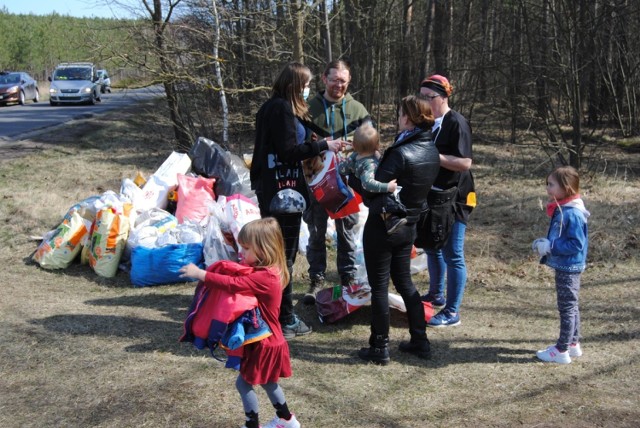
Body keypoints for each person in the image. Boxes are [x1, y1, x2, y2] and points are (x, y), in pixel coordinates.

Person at [179, 218, 301, 428]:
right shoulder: (271, 270)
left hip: (264, 343)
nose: (241, 252)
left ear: (264, 249)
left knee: (244, 384)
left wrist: (201, 274)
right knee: (269, 383)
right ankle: (287, 420)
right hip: (270, 340)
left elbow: (234, 284)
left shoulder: (266, 277)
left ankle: (252, 425)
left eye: (246, 248)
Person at [250, 62, 343, 340]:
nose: (307, 91)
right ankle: (284, 318)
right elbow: (289, 151)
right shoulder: (280, 109)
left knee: (279, 255)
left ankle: (275, 313)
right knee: (284, 256)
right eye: (304, 86)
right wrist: (323, 146)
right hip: (282, 193)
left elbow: (300, 132)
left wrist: (323, 138)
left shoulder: (276, 107)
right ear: (293, 86)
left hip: (279, 190)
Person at [358, 95, 440, 365]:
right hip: (409, 225)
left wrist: (353, 177)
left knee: (380, 287)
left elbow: (373, 192)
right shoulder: (431, 150)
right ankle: (420, 340)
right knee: (405, 282)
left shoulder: (400, 152)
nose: (397, 118)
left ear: (409, 117)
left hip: (384, 225)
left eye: (400, 113)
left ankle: (379, 346)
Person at [302, 59, 373, 305]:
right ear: (324, 79)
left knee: (347, 232)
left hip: (346, 182)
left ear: (348, 81)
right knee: (316, 231)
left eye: (343, 81)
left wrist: (358, 147)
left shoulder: (358, 110)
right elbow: (297, 143)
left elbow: (370, 144)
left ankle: (347, 278)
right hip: (316, 181)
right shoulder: (308, 107)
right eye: (334, 80)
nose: (338, 85)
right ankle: (316, 280)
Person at [418, 74, 476, 328]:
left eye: (428, 97)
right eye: (421, 96)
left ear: (443, 97)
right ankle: (436, 293)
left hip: (456, 198)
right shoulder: (427, 122)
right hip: (433, 195)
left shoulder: (457, 123)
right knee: (432, 246)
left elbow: (464, 163)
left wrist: (434, 155)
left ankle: (452, 311)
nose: (424, 101)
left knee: (453, 253)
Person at [532, 166, 589, 364]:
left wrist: (551, 246)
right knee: (571, 306)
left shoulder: (571, 213)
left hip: (569, 267)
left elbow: (576, 243)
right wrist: (545, 242)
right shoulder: (563, 208)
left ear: (566, 187)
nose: (547, 188)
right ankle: (573, 344)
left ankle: (561, 349)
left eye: (551, 184)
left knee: (567, 308)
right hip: (567, 265)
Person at [337, 122, 407, 235]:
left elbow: (342, 169)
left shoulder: (355, 156)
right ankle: (391, 221)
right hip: (372, 194)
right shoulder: (368, 165)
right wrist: (387, 187)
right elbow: (368, 184)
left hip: (369, 188)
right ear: (377, 145)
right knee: (384, 200)